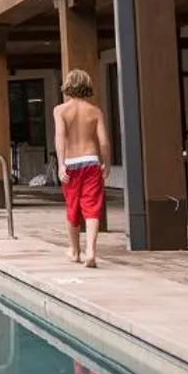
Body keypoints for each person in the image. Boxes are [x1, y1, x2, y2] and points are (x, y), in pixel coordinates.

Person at [53, 68, 111, 267]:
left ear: (68, 86)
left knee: (73, 206)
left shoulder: (60, 110)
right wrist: (107, 163)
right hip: (91, 160)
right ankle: (91, 251)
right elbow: (103, 141)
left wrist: (61, 165)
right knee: (92, 206)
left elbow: (60, 138)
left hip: (71, 163)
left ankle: (75, 250)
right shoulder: (95, 111)